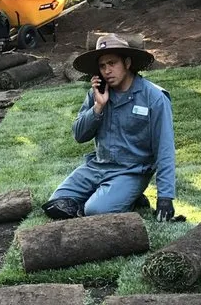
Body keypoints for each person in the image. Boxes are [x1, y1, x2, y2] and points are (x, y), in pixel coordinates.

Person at [44, 34, 177, 222]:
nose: (107, 70)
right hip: (97, 166)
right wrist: (98, 107)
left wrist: (165, 197)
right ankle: (123, 197)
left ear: (127, 63)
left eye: (112, 63)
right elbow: (79, 135)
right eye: (102, 66)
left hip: (131, 171)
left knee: (95, 211)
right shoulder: (97, 94)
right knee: (56, 204)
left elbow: (165, 148)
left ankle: (123, 195)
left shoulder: (154, 97)